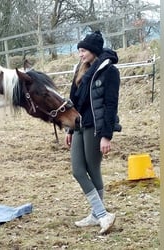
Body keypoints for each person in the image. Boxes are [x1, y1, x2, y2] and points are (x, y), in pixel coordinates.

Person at [65, 31, 121, 234]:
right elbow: (73, 102)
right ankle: (100, 214)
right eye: (79, 51)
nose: (80, 54)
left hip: (95, 128)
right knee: (78, 170)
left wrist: (107, 135)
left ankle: (99, 214)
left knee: (93, 169)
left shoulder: (109, 71)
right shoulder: (80, 70)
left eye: (83, 50)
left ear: (94, 50)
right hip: (79, 126)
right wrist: (70, 128)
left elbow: (110, 105)